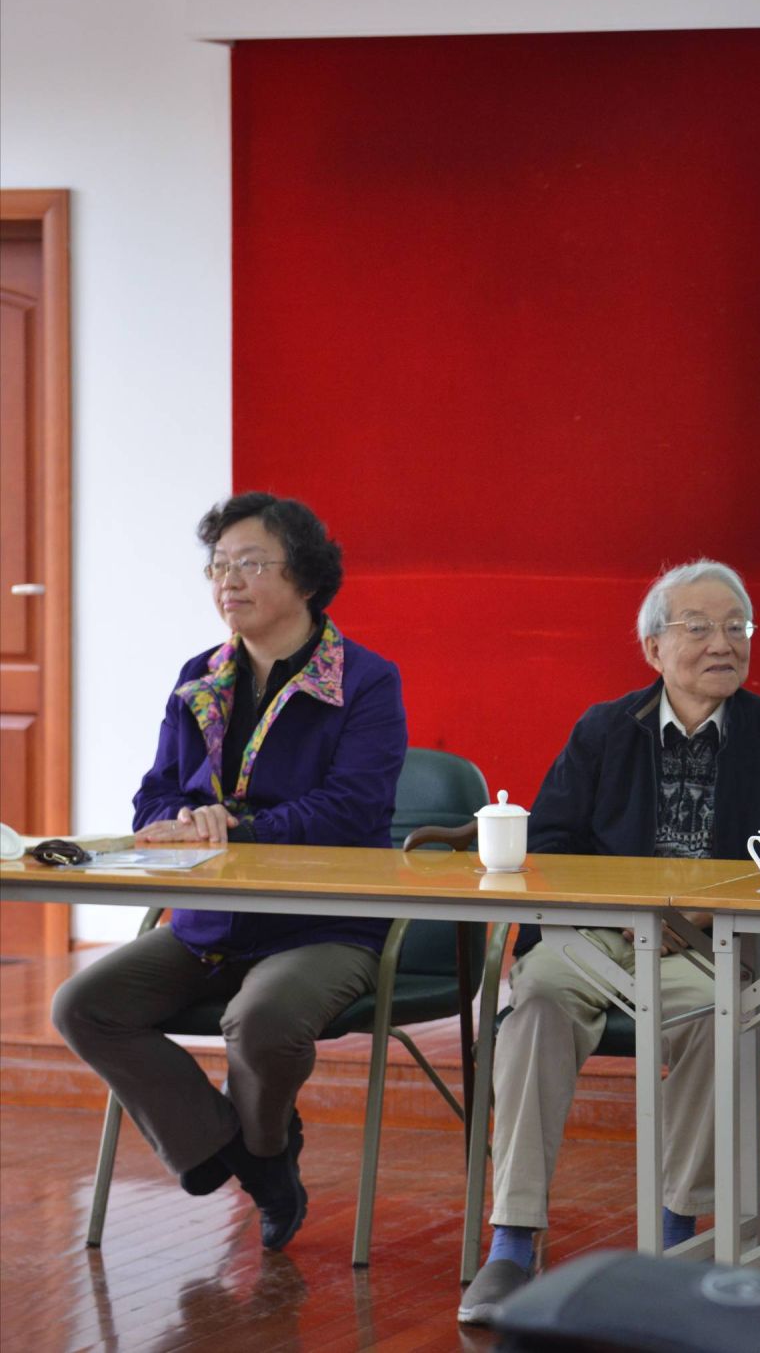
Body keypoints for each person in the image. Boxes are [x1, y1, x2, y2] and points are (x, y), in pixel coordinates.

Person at [459, 560, 760, 1325]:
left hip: (711, 946)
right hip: (597, 937)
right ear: (654, 649)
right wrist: (625, 910)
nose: (722, 643)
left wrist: (705, 909)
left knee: (718, 1017)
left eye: (736, 626)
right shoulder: (605, 729)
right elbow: (553, 845)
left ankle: (678, 1235)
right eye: (697, 627)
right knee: (534, 1004)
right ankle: (513, 1239)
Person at [51, 492, 407, 1252]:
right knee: (84, 1005)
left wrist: (235, 826)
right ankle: (234, 1150)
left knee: (263, 1018)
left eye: (250, 564)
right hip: (211, 920)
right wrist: (180, 820)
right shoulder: (200, 677)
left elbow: (351, 809)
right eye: (217, 566)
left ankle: (264, 1145)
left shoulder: (365, 681)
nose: (228, 582)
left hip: (323, 922)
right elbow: (154, 796)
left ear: (304, 576)